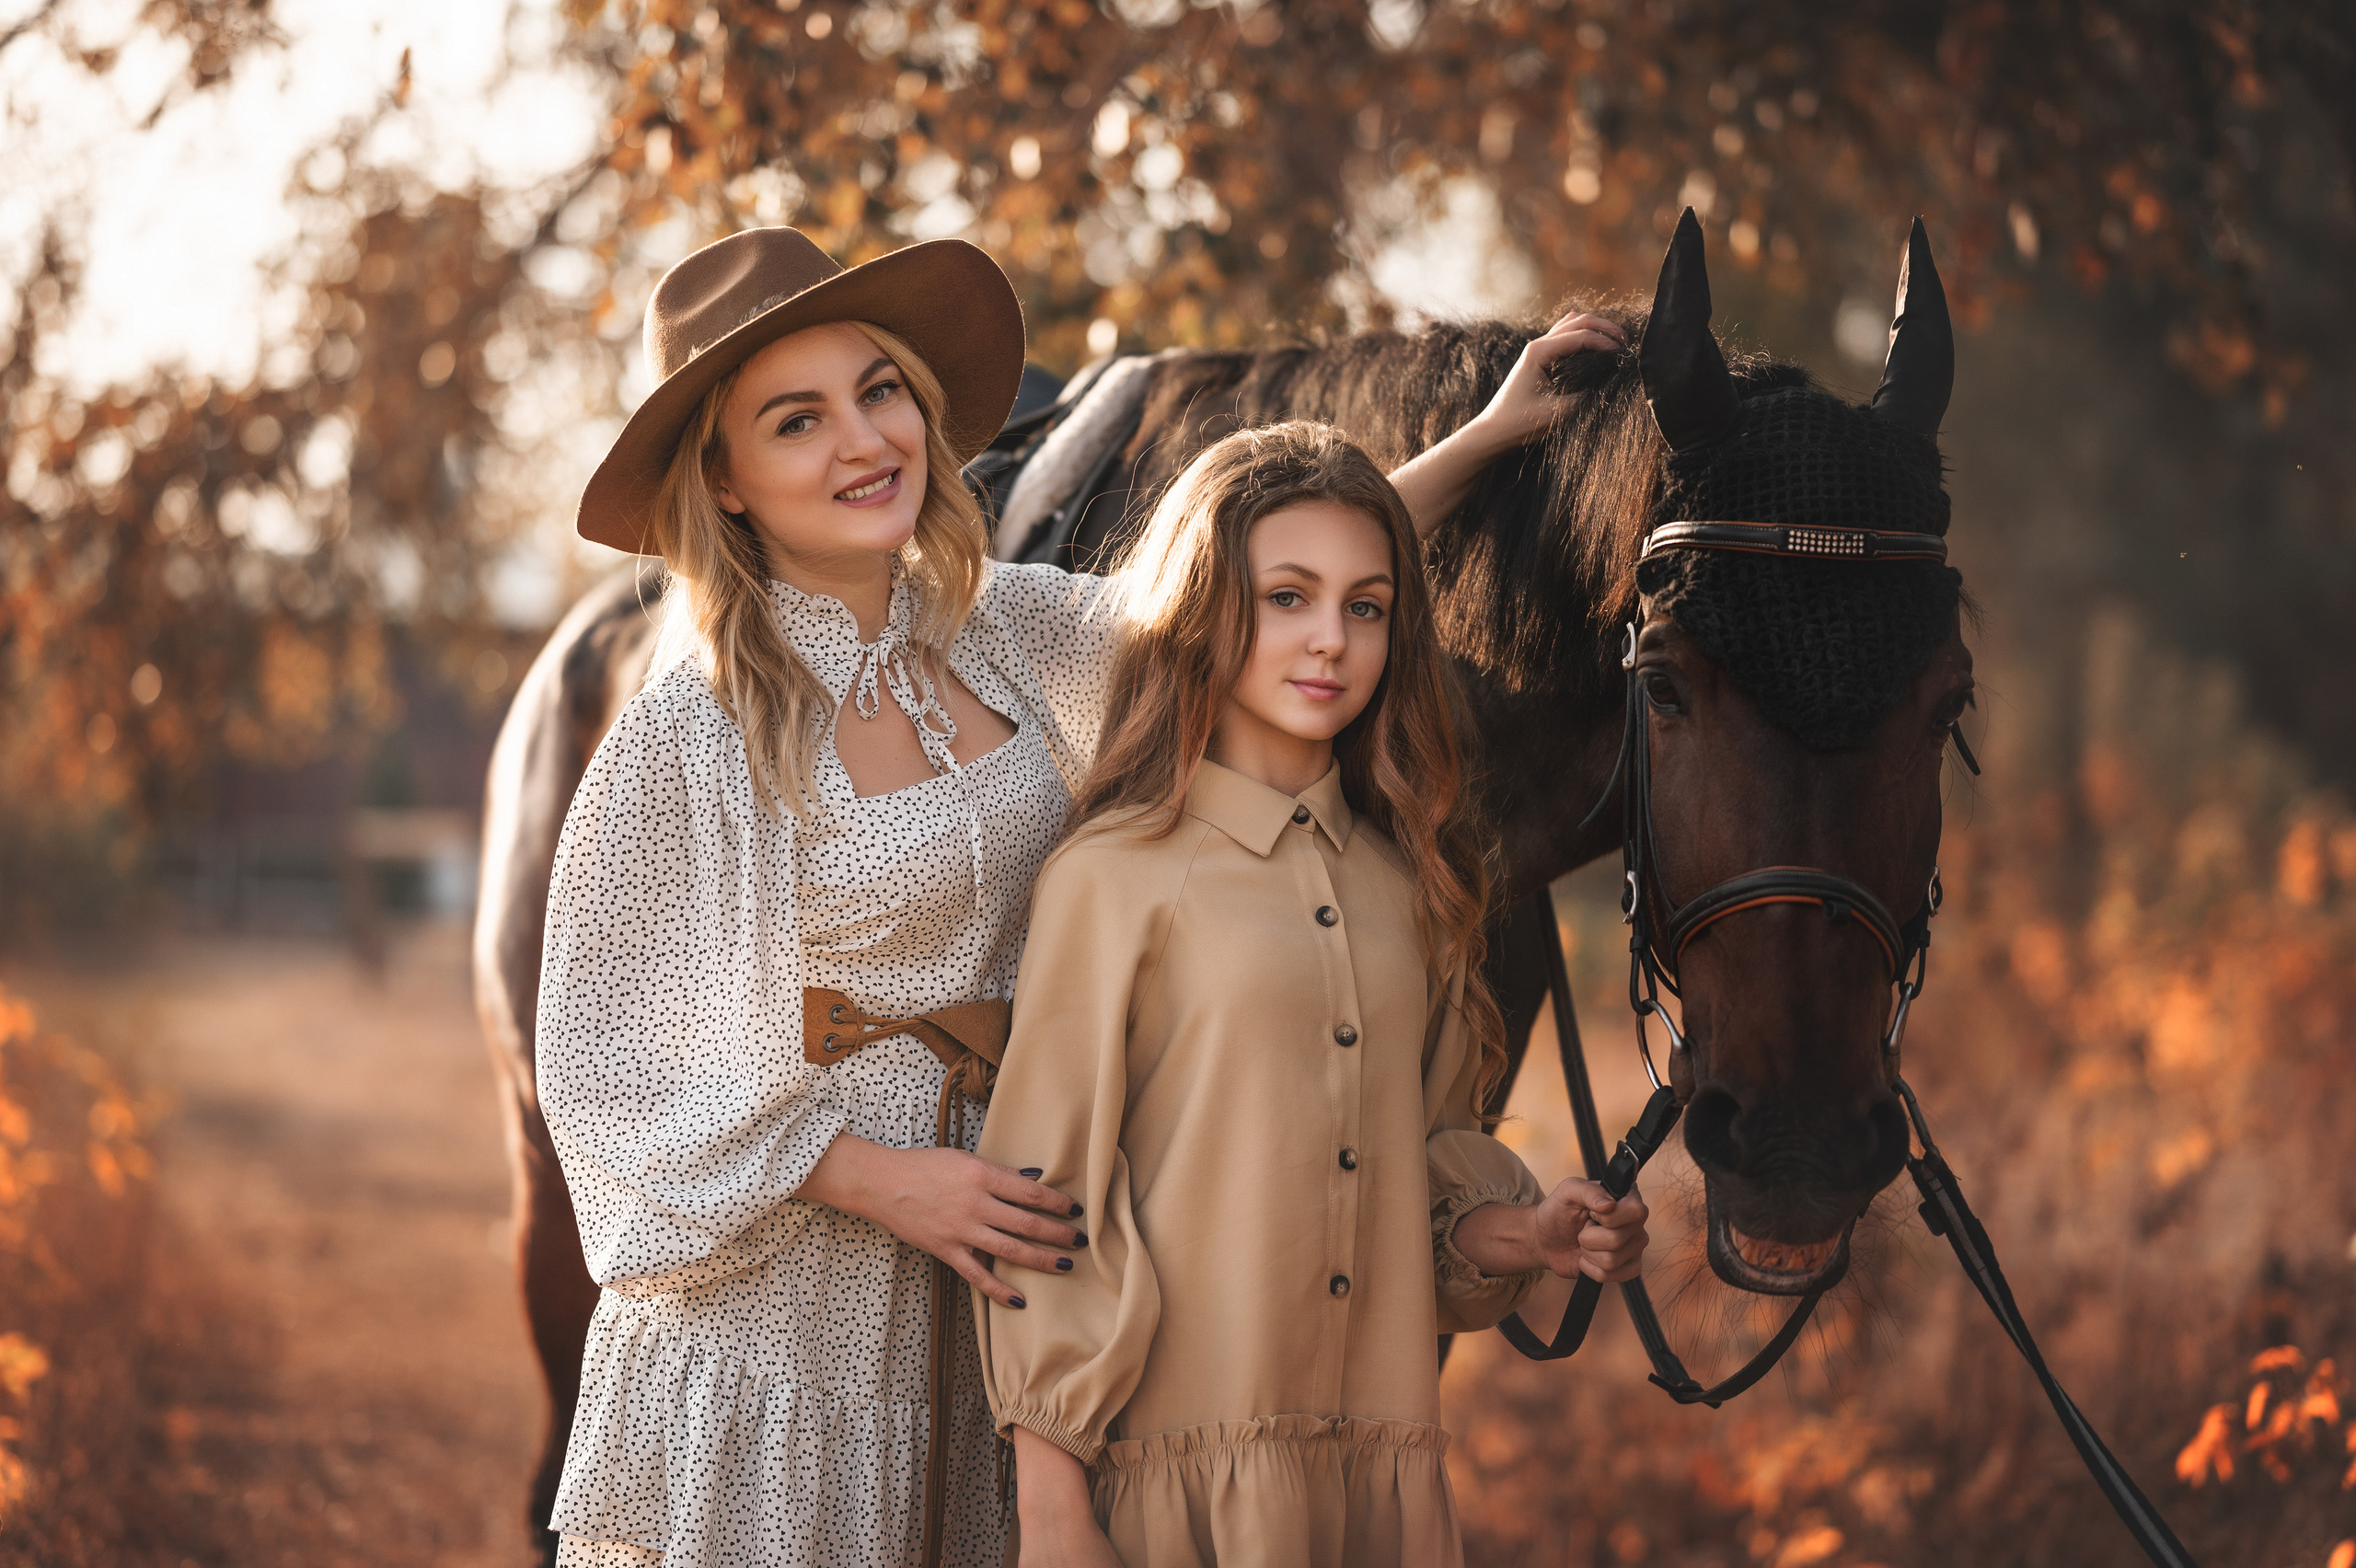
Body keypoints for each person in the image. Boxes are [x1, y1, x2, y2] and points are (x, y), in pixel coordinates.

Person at [535, 219, 1627, 1568]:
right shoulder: (689, 733)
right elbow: (608, 1067)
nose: (863, 442)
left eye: (879, 392)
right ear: (729, 479)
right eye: (797, 419)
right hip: (788, 1309)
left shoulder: (1007, 628)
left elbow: (1269, 596)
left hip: (1016, 1251)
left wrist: (1497, 435)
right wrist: (885, 1184)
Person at [973, 421, 1651, 1568]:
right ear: (1204, 608)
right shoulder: (1112, 877)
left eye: (1367, 605)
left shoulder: (1414, 887)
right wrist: (1051, 1509)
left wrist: (1524, 1233)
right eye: (1286, 597)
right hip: (1170, 1494)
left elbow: (1420, 1170)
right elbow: (1046, 1198)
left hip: (1379, 1499)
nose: (1329, 640)